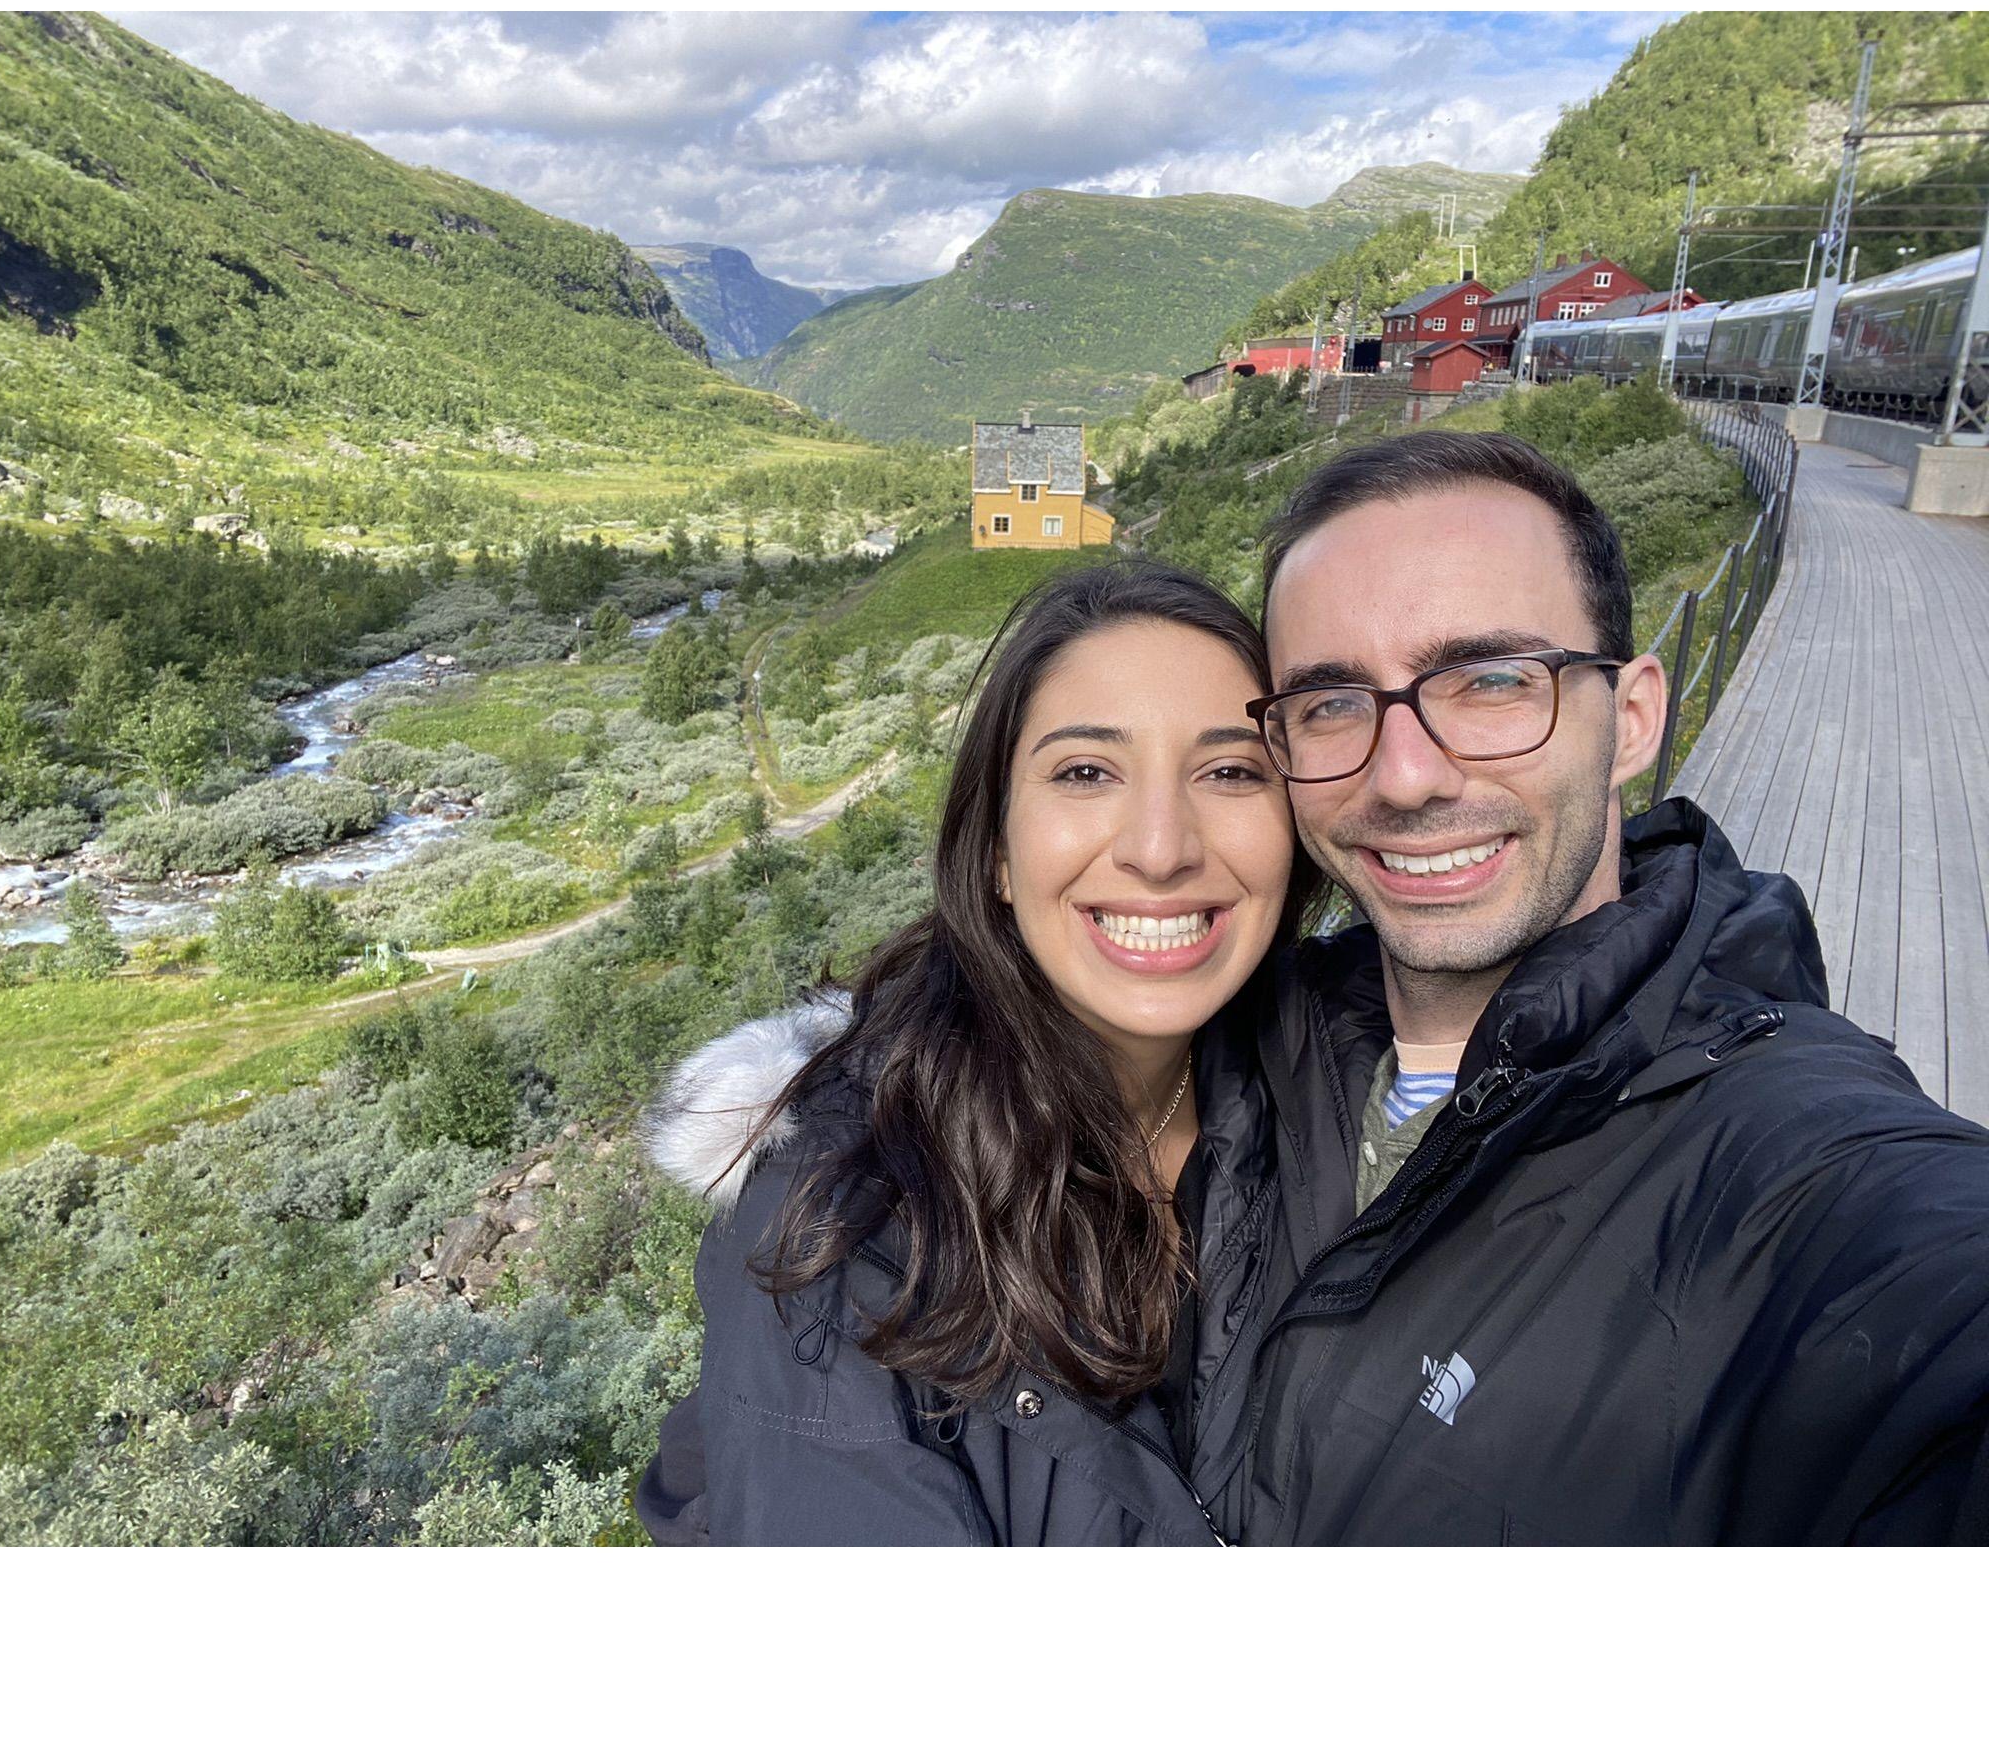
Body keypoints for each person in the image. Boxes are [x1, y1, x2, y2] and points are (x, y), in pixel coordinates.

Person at [1234, 427, 1989, 1543]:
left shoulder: (1801, 1169)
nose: (1403, 777)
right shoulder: (1251, 1040)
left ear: (1630, 718)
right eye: (1331, 702)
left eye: (1491, 680)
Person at [635, 562, 1321, 1544]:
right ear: (995, 848)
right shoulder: (840, 1223)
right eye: (1085, 771)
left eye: (1228, 769)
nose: (1161, 847)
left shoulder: (1331, 1096)